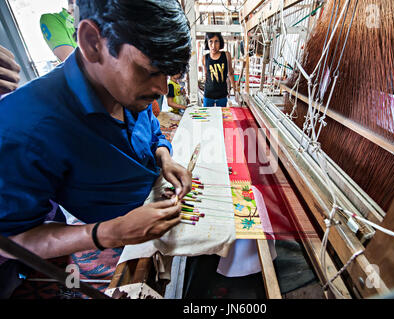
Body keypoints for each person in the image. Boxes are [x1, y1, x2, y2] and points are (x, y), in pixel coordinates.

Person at [0, 0, 192, 260]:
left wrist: (164, 158)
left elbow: (152, 131)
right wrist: (110, 233)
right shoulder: (25, 126)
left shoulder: (132, 91)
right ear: (92, 42)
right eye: (150, 72)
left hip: (151, 214)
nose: (162, 89)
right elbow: (11, 240)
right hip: (118, 245)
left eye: (167, 75)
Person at [202, 32, 236, 107]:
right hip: (208, 95)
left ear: (220, 42)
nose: (213, 45)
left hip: (222, 95)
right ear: (207, 43)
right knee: (207, 116)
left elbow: (230, 73)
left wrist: (235, 91)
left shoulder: (226, 55)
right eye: (210, 41)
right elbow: (206, 75)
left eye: (216, 41)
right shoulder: (205, 58)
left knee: (221, 116)